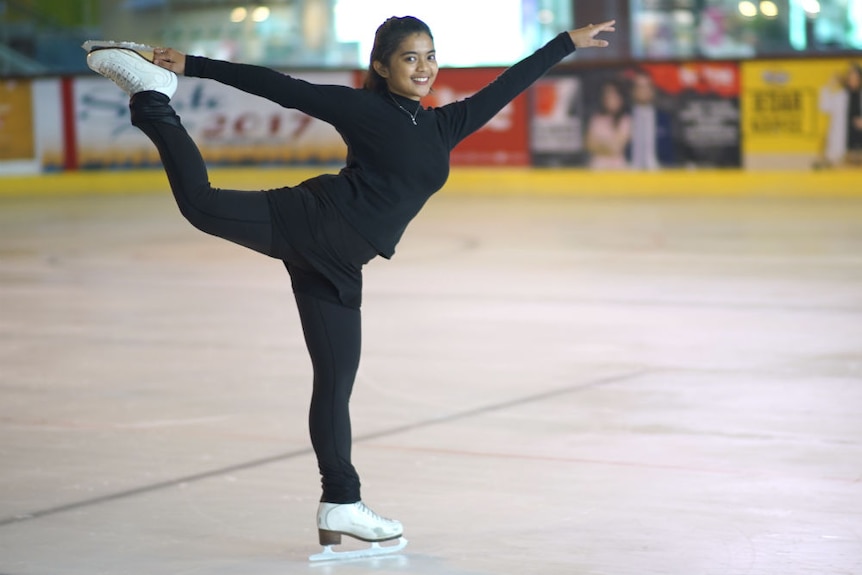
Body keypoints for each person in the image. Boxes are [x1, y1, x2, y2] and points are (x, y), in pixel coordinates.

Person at [85, 15, 615, 559]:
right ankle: (153, 100)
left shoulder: (444, 124)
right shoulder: (365, 110)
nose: (424, 67)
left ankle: (341, 500)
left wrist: (564, 44)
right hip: (315, 222)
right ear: (382, 67)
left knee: (335, 383)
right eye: (410, 58)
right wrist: (193, 65)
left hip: (339, 266)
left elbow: (508, 86)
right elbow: (282, 88)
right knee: (201, 204)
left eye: (430, 56)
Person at [585, 78, 631, 169]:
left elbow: (616, 148)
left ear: (621, 98)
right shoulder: (596, 119)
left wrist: (599, 145)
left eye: (614, 95)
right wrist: (606, 145)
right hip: (596, 168)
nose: (610, 99)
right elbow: (589, 144)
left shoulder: (626, 120)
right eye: (607, 95)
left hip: (618, 169)